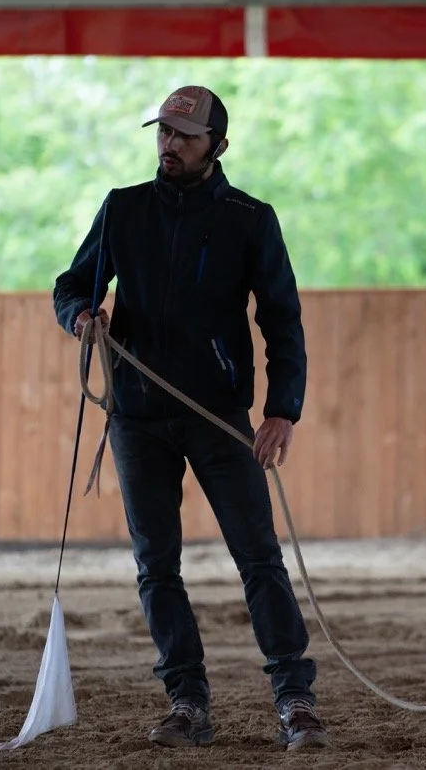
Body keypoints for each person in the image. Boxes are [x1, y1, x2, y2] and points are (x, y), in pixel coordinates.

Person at [51, 85, 328, 751]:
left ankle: (295, 698)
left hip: (219, 414)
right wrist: (82, 316)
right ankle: (186, 701)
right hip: (137, 416)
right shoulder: (123, 210)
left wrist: (282, 411)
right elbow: (71, 285)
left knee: (259, 559)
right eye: (164, 132)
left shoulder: (249, 219)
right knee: (157, 566)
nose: (169, 144)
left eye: (185, 135)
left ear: (218, 146)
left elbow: (282, 320)